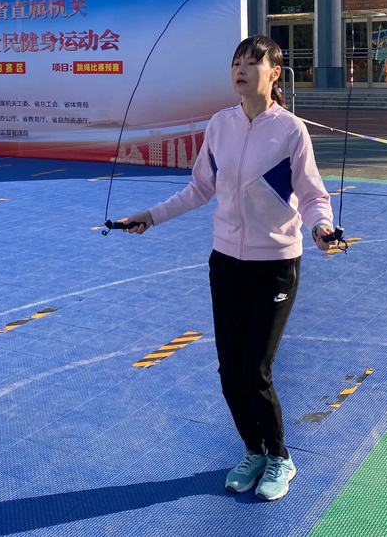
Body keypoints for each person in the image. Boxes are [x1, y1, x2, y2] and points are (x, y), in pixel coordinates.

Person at [121, 35, 337, 502]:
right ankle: (253, 450)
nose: (241, 69)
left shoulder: (291, 130)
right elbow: (200, 188)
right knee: (229, 370)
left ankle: (280, 457)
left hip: (275, 264)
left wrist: (322, 227)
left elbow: (312, 195)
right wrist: (151, 216)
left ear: (274, 73)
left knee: (255, 368)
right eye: (237, 62)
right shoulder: (220, 125)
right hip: (226, 263)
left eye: (252, 62)